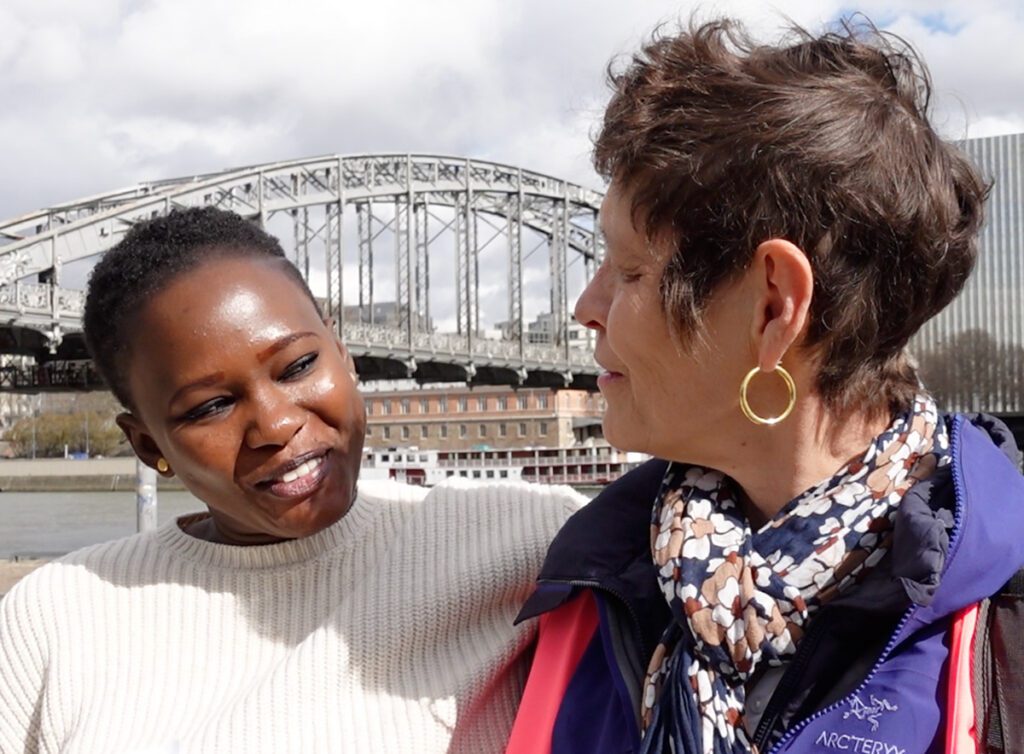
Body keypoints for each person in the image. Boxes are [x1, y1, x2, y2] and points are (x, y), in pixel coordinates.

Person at [506, 18, 1024, 754]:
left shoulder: (1004, 614)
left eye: (628, 272)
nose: (585, 309)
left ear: (775, 305)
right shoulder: (594, 585)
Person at [0, 207, 584, 753]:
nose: (276, 425)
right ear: (151, 446)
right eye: (210, 407)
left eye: (300, 366)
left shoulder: (534, 541)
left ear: (343, 351)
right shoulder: (55, 615)